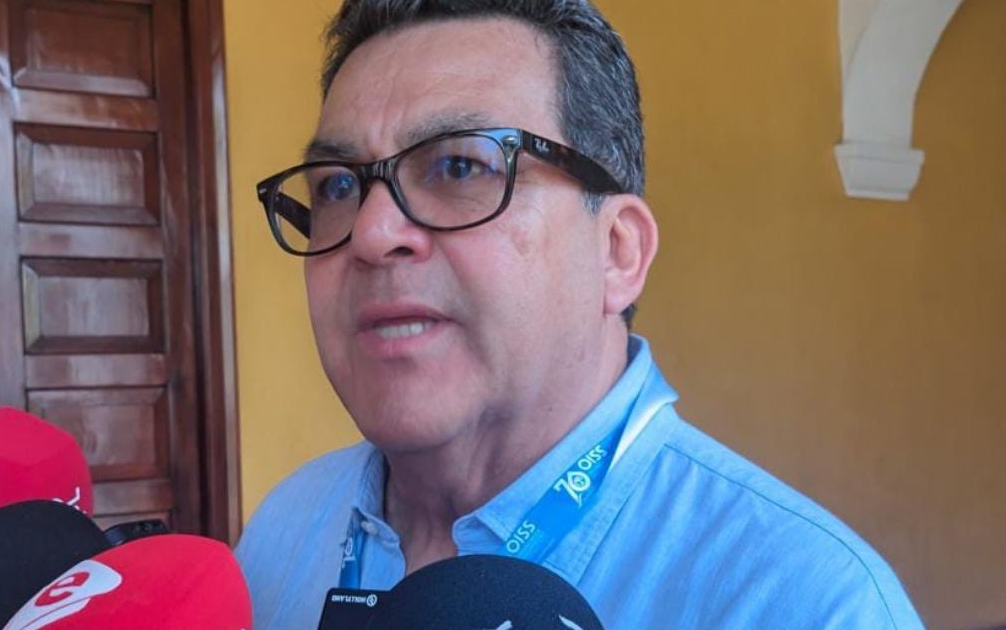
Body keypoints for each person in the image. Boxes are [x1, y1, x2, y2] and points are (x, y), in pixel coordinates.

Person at [236, 1, 925, 628]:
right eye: (338, 185)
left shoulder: (807, 604)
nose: (370, 232)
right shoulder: (280, 534)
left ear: (618, 252)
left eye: (459, 168)